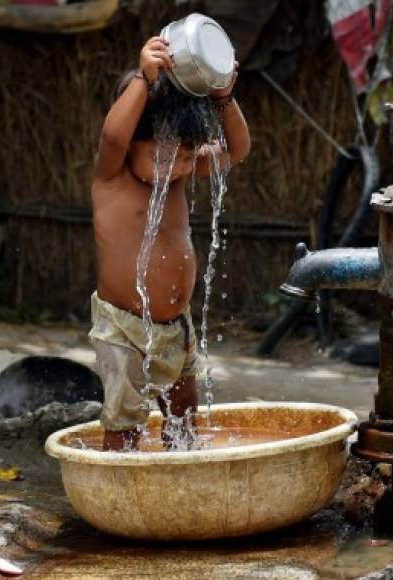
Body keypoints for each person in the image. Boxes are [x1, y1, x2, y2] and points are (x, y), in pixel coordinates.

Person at [90, 36, 250, 451]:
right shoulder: (113, 175)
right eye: (164, 156)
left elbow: (238, 149)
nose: (177, 167)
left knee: (184, 418)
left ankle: (179, 491)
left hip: (176, 327)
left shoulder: (180, 173)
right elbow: (112, 137)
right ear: (133, 147)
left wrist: (224, 100)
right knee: (124, 426)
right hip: (124, 327)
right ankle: (115, 499)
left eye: (186, 155)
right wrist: (144, 79)